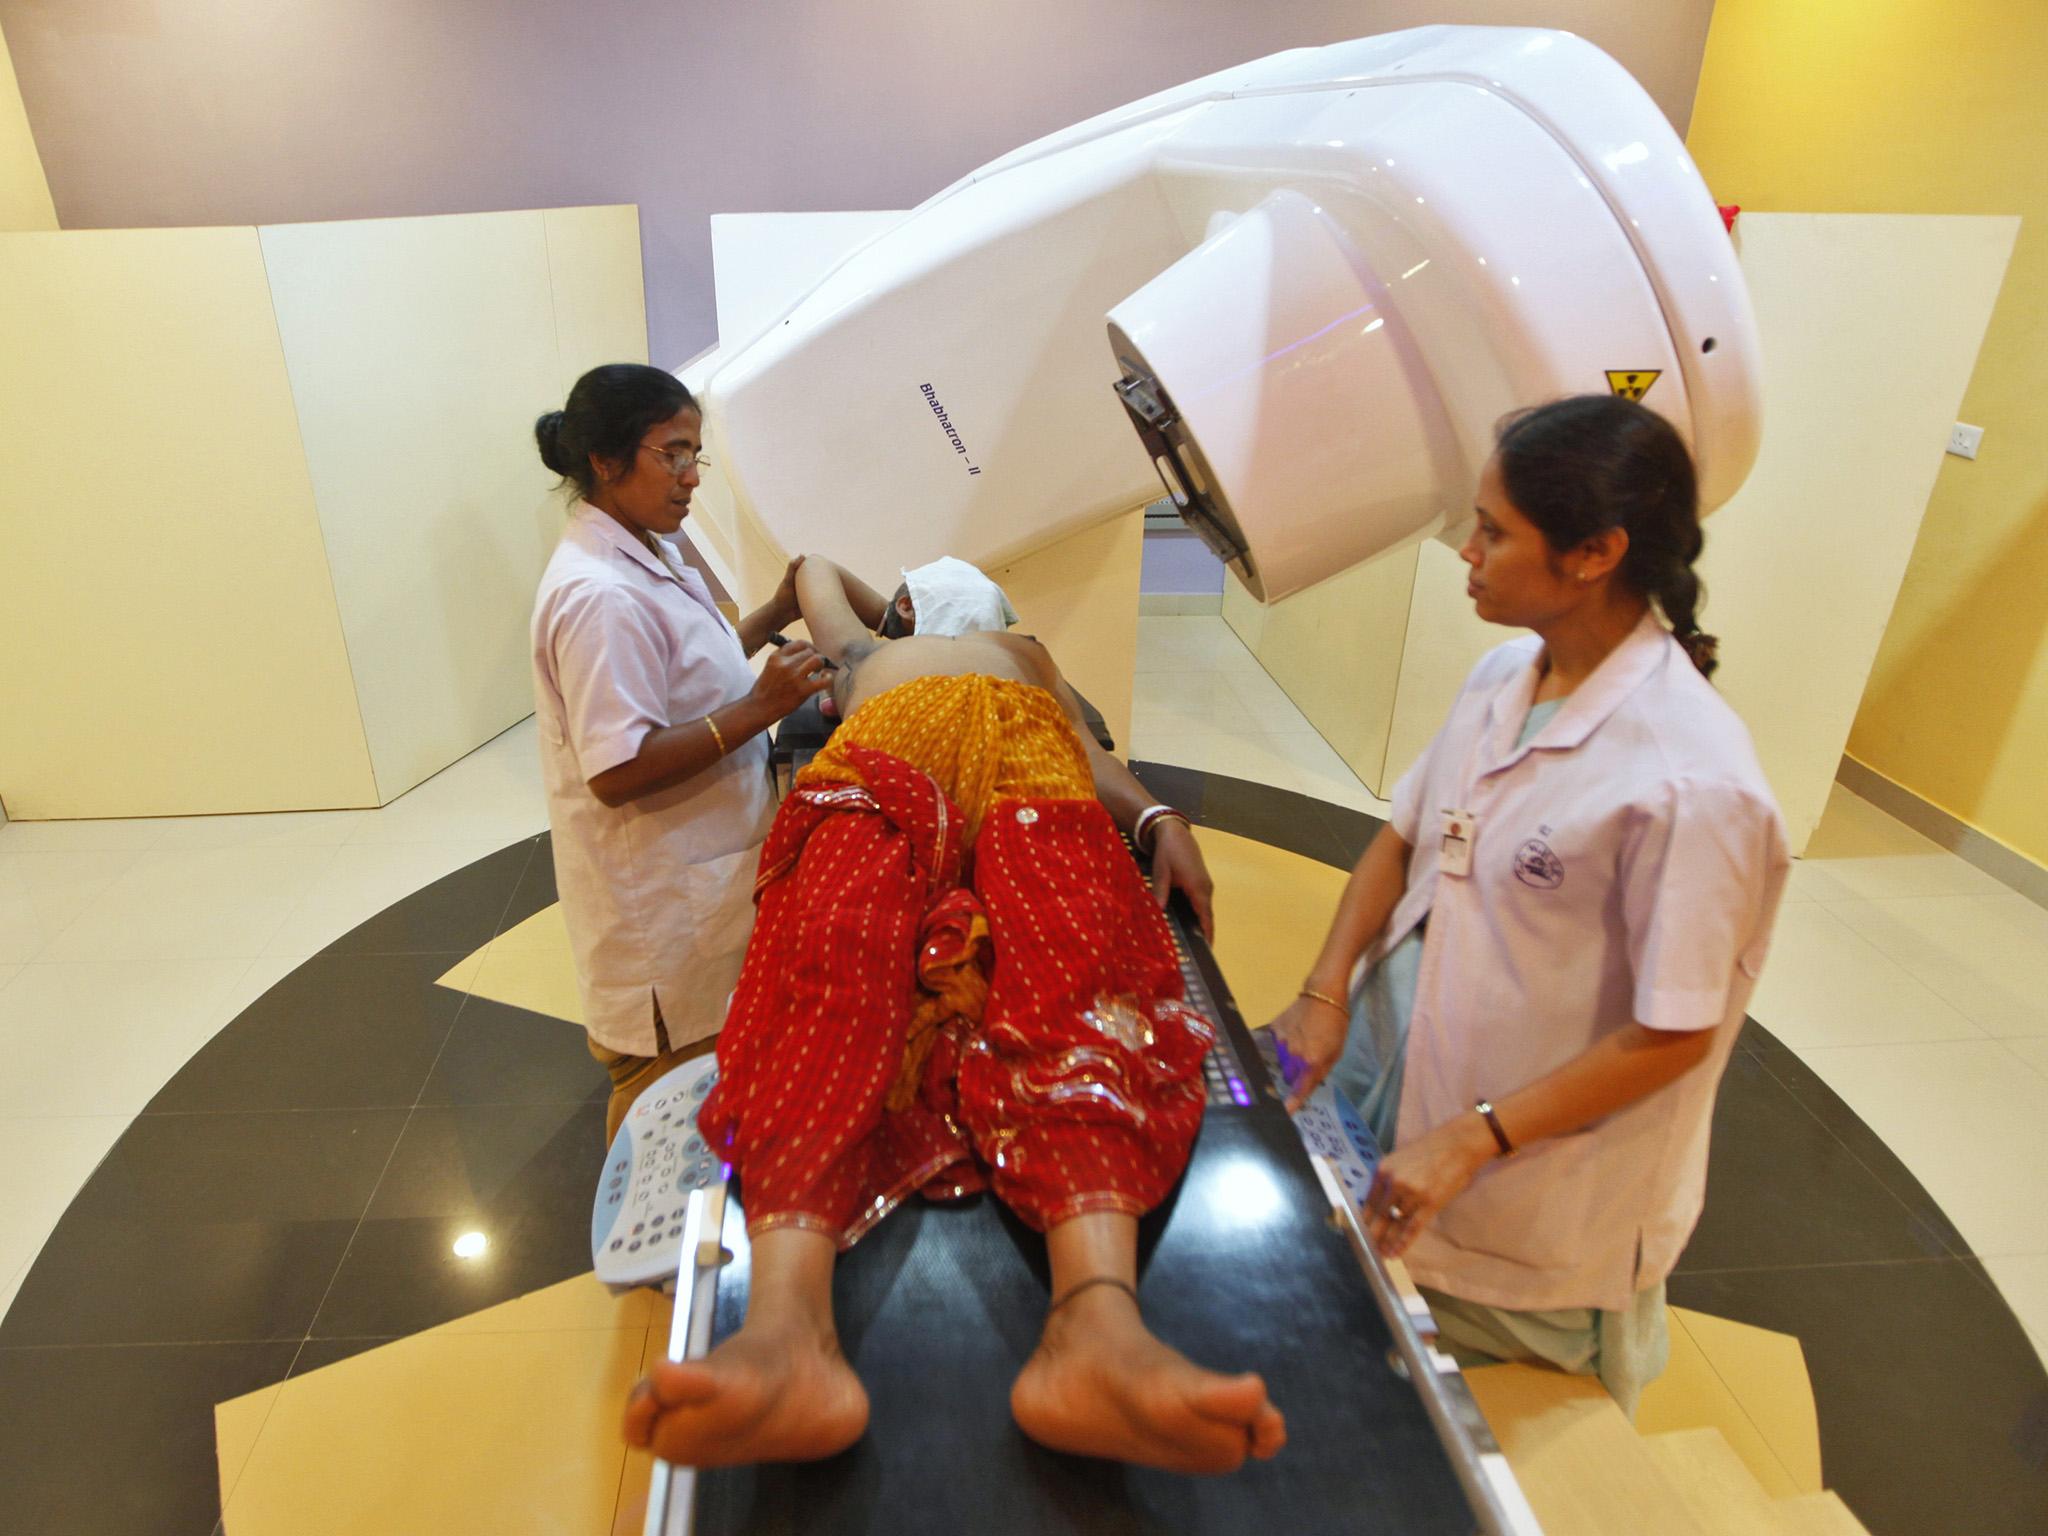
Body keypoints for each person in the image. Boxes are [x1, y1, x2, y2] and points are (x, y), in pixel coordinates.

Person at [623, 557, 1283, 1476]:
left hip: (1034, 775)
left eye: (912, 594)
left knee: (1078, 967)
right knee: (830, 960)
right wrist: (896, 604)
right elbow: (813, 567)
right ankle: (787, 1335)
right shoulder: (858, 653)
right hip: (881, 776)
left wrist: (1156, 818)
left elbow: (1094, 760)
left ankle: (1096, 1327)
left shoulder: (1024, 653)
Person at [1268, 394, 1788, 1418]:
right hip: (1386, 1077)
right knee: (1332, 1325)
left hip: (1524, 1182)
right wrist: (1324, 992)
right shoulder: (1506, 674)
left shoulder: (1690, 781)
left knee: (1498, 1427)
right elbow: (1405, 836)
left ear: (1592, 553)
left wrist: (1471, 1138)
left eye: (1495, 531)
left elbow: (1672, 1030)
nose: (1466, 551)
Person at [530, 364, 835, 1143]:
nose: (691, 477)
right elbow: (618, 768)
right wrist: (762, 706)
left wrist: (770, 614)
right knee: (664, 1119)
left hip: (703, 877)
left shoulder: (643, 547)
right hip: (659, 915)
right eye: (673, 454)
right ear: (606, 461)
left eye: (695, 454)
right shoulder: (596, 594)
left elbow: (680, 677)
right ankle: (650, 1266)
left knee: (710, 1097)